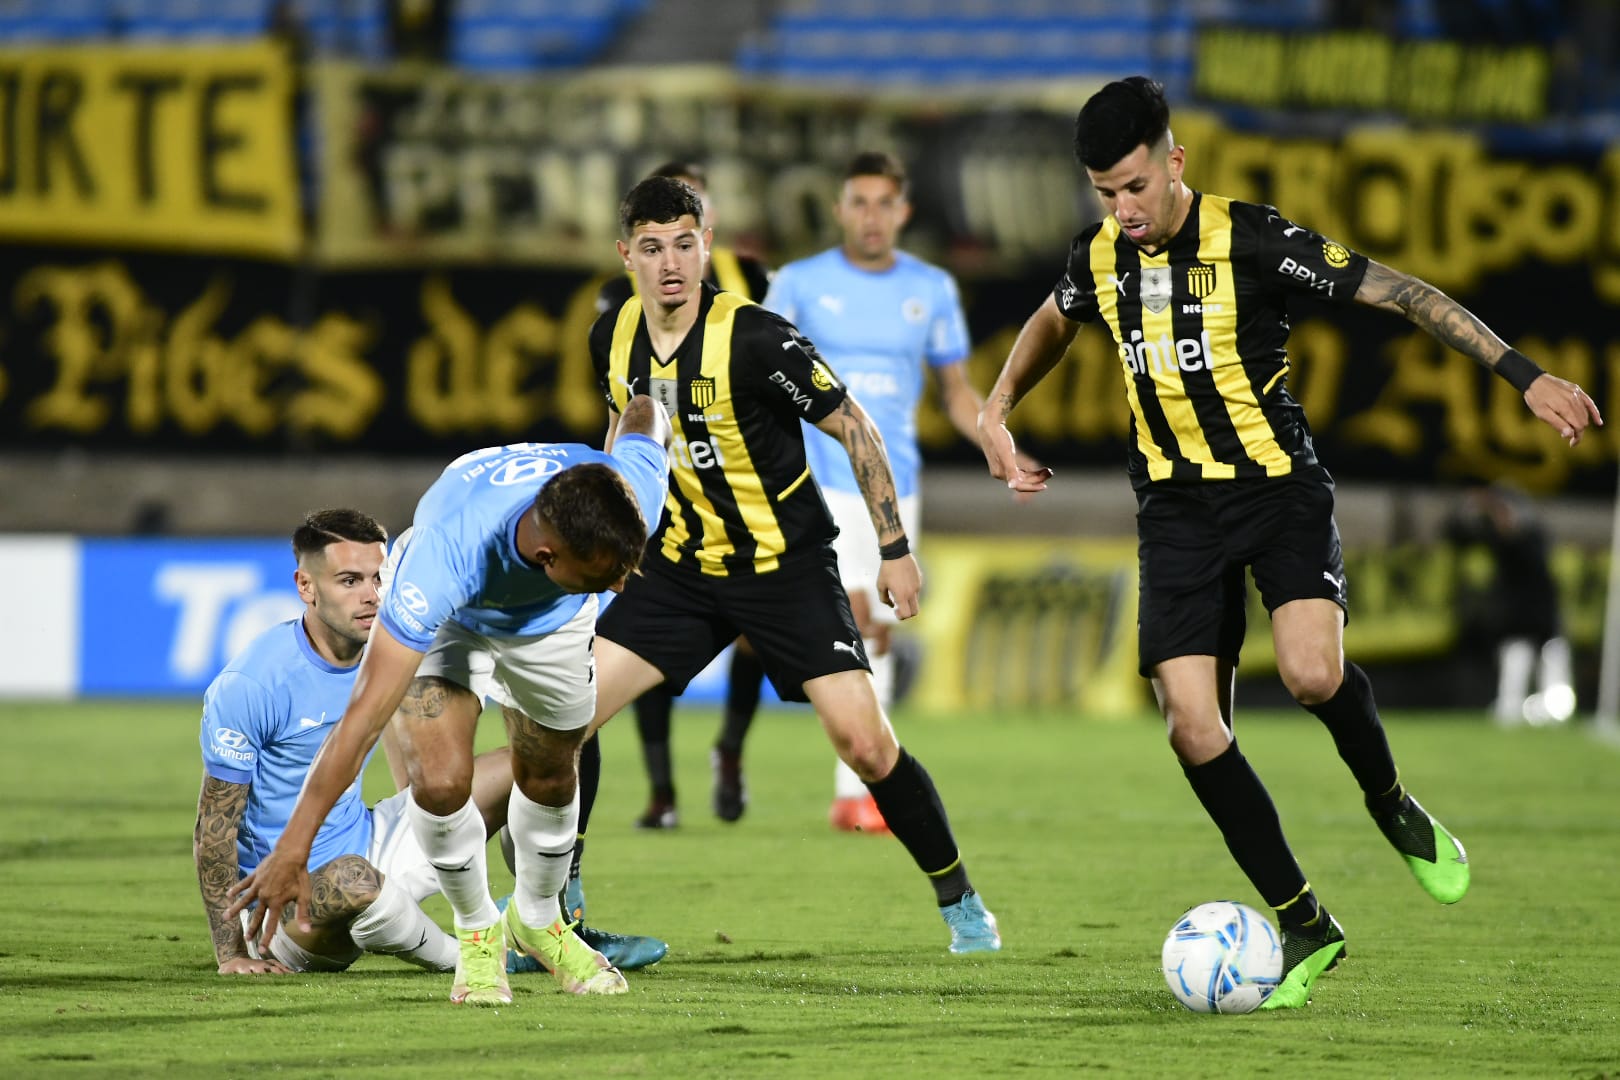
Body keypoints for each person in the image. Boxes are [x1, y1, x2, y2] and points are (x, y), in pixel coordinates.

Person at [976, 77, 1601, 1009]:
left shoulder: (1256, 240)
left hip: (1278, 493)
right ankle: (1304, 919)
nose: (1124, 210)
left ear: (1175, 162)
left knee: (1312, 675)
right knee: (1193, 726)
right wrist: (995, 412)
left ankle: (1391, 802)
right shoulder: (1100, 254)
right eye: (1106, 194)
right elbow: (1054, 318)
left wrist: (1522, 374)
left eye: (1136, 188)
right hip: (1177, 515)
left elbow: (1404, 293)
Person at [578, 174, 1002, 955]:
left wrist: (895, 551)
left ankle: (961, 902)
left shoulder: (757, 337)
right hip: (678, 567)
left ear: (706, 244)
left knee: (866, 746)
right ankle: (558, 920)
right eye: (650, 247)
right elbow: (622, 437)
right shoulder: (612, 337)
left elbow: (857, 428)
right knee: (566, 719)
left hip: (784, 569)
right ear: (625, 254)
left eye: (683, 243)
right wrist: (614, 546)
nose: (669, 263)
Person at [227, 397, 674, 1006]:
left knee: (549, 771)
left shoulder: (628, 492)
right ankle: (477, 929)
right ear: (548, 558)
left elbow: (648, 412)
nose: (622, 583)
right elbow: (361, 720)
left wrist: (629, 399)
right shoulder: (439, 567)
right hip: (456, 619)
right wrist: (293, 847)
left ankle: (540, 921)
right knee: (439, 783)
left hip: (555, 623)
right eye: (607, 572)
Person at [718, 149, 1045, 834]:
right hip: (814, 483)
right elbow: (749, 366)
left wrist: (999, 443)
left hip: (893, 492)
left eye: (883, 203)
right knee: (856, 620)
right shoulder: (798, 285)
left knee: (884, 631)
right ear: (839, 208)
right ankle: (852, 786)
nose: (870, 216)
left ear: (903, 211)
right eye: (858, 202)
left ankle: (858, 790)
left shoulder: (931, 289)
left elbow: (956, 393)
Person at [195, 509, 516, 977]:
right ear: (306, 586)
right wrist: (233, 953)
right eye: (349, 581)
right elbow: (213, 831)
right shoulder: (252, 684)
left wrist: (426, 809)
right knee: (352, 877)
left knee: (524, 765)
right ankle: (476, 953)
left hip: (370, 838)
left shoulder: (387, 649)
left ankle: (540, 918)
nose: (371, 596)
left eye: (378, 578)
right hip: (288, 905)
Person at [595, 159, 772, 832]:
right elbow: (616, 399)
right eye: (654, 239)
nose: (669, 255)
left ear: (707, 220)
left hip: (741, 490)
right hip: (660, 490)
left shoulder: (751, 282)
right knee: (642, 651)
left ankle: (729, 749)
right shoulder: (622, 302)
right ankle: (663, 790)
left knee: (756, 637)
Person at [1446, 484, 1574, 726]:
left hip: (1543, 615)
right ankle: (1511, 712)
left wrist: (1510, 528)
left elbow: (1535, 564)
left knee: (1553, 666)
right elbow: (1456, 537)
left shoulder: (1533, 536)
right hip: (1515, 620)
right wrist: (1470, 509)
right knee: (1514, 665)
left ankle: (1555, 715)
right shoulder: (1496, 537)